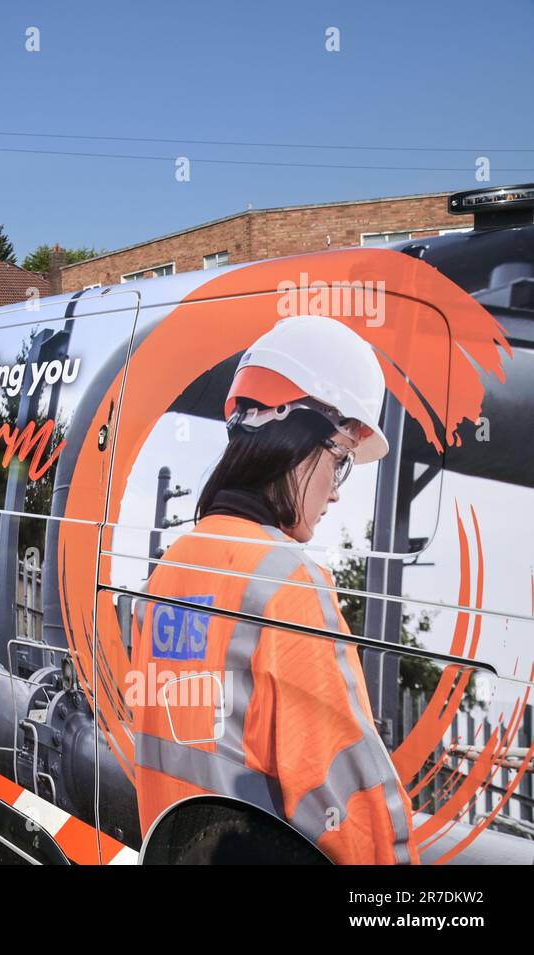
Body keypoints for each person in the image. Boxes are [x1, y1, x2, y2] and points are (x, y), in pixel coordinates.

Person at [131, 314, 417, 864]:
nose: (335, 494)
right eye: (340, 463)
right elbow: (348, 801)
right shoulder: (288, 581)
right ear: (294, 434)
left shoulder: (169, 571)